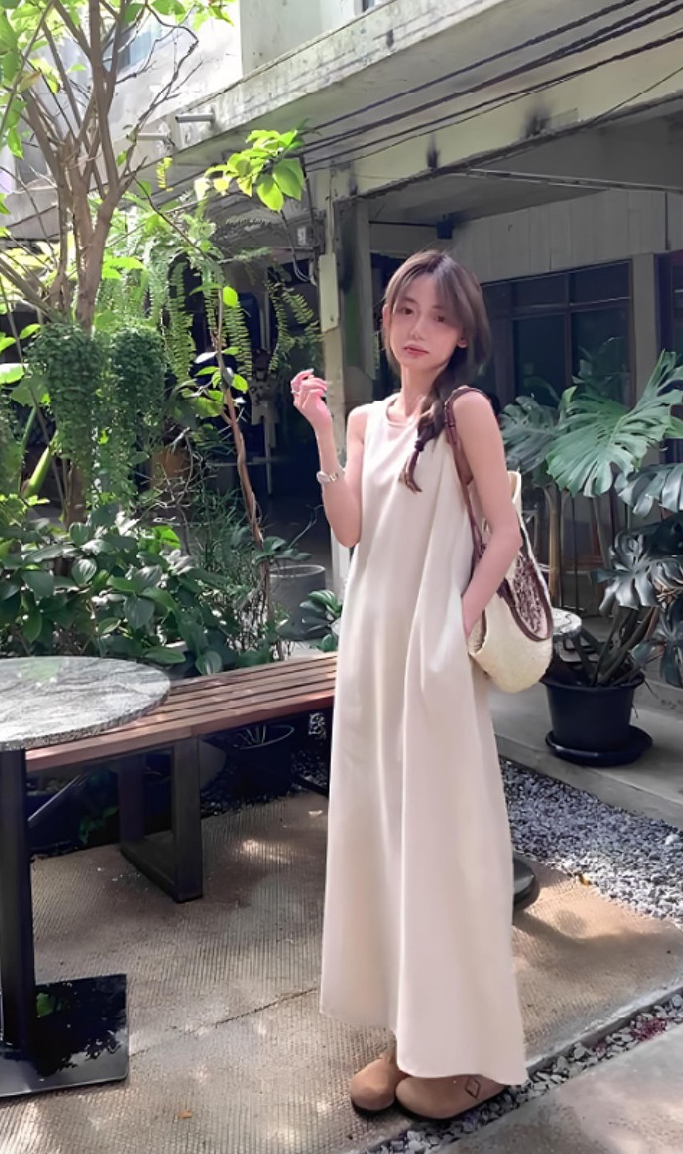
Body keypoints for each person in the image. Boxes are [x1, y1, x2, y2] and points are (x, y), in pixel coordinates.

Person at [290, 249, 526, 1122]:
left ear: (463, 333)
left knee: (444, 845)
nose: (418, 328)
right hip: (372, 653)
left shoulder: (467, 411)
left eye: (439, 315)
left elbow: (503, 532)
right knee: (382, 842)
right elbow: (351, 530)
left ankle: (476, 1053)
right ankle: (409, 1033)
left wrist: (453, 628)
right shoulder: (365, 419)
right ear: (386, 319)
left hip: (430, 654)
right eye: (405, 310)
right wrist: (323, 432)